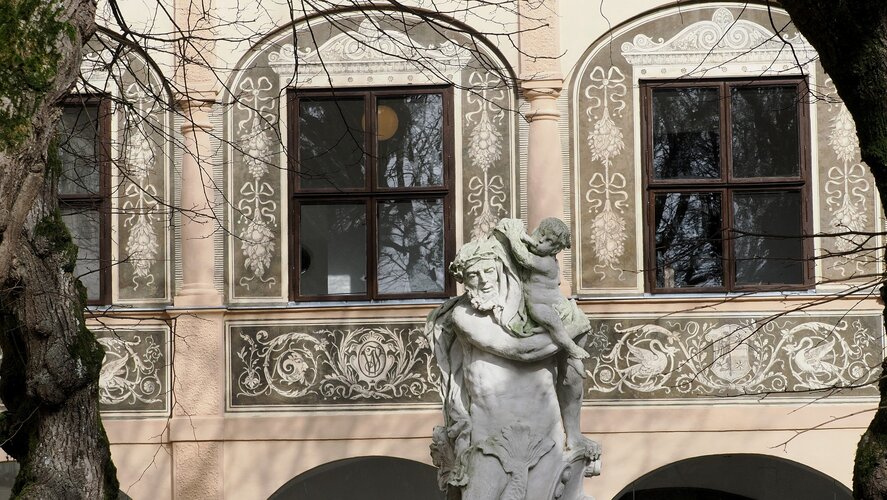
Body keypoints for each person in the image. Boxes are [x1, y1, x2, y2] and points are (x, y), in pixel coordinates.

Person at [496, 218, 589, 360]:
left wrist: (513, 236)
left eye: (548, 241)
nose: (540, 240)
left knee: (555, 323)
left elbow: (523, 258)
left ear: (555, 250)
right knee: (551, 324)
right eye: (541, 233)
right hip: (538, 302)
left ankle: (571, 347)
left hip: (541, 306)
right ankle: (548, 330)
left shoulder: (546, 263)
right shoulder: (537, 252)